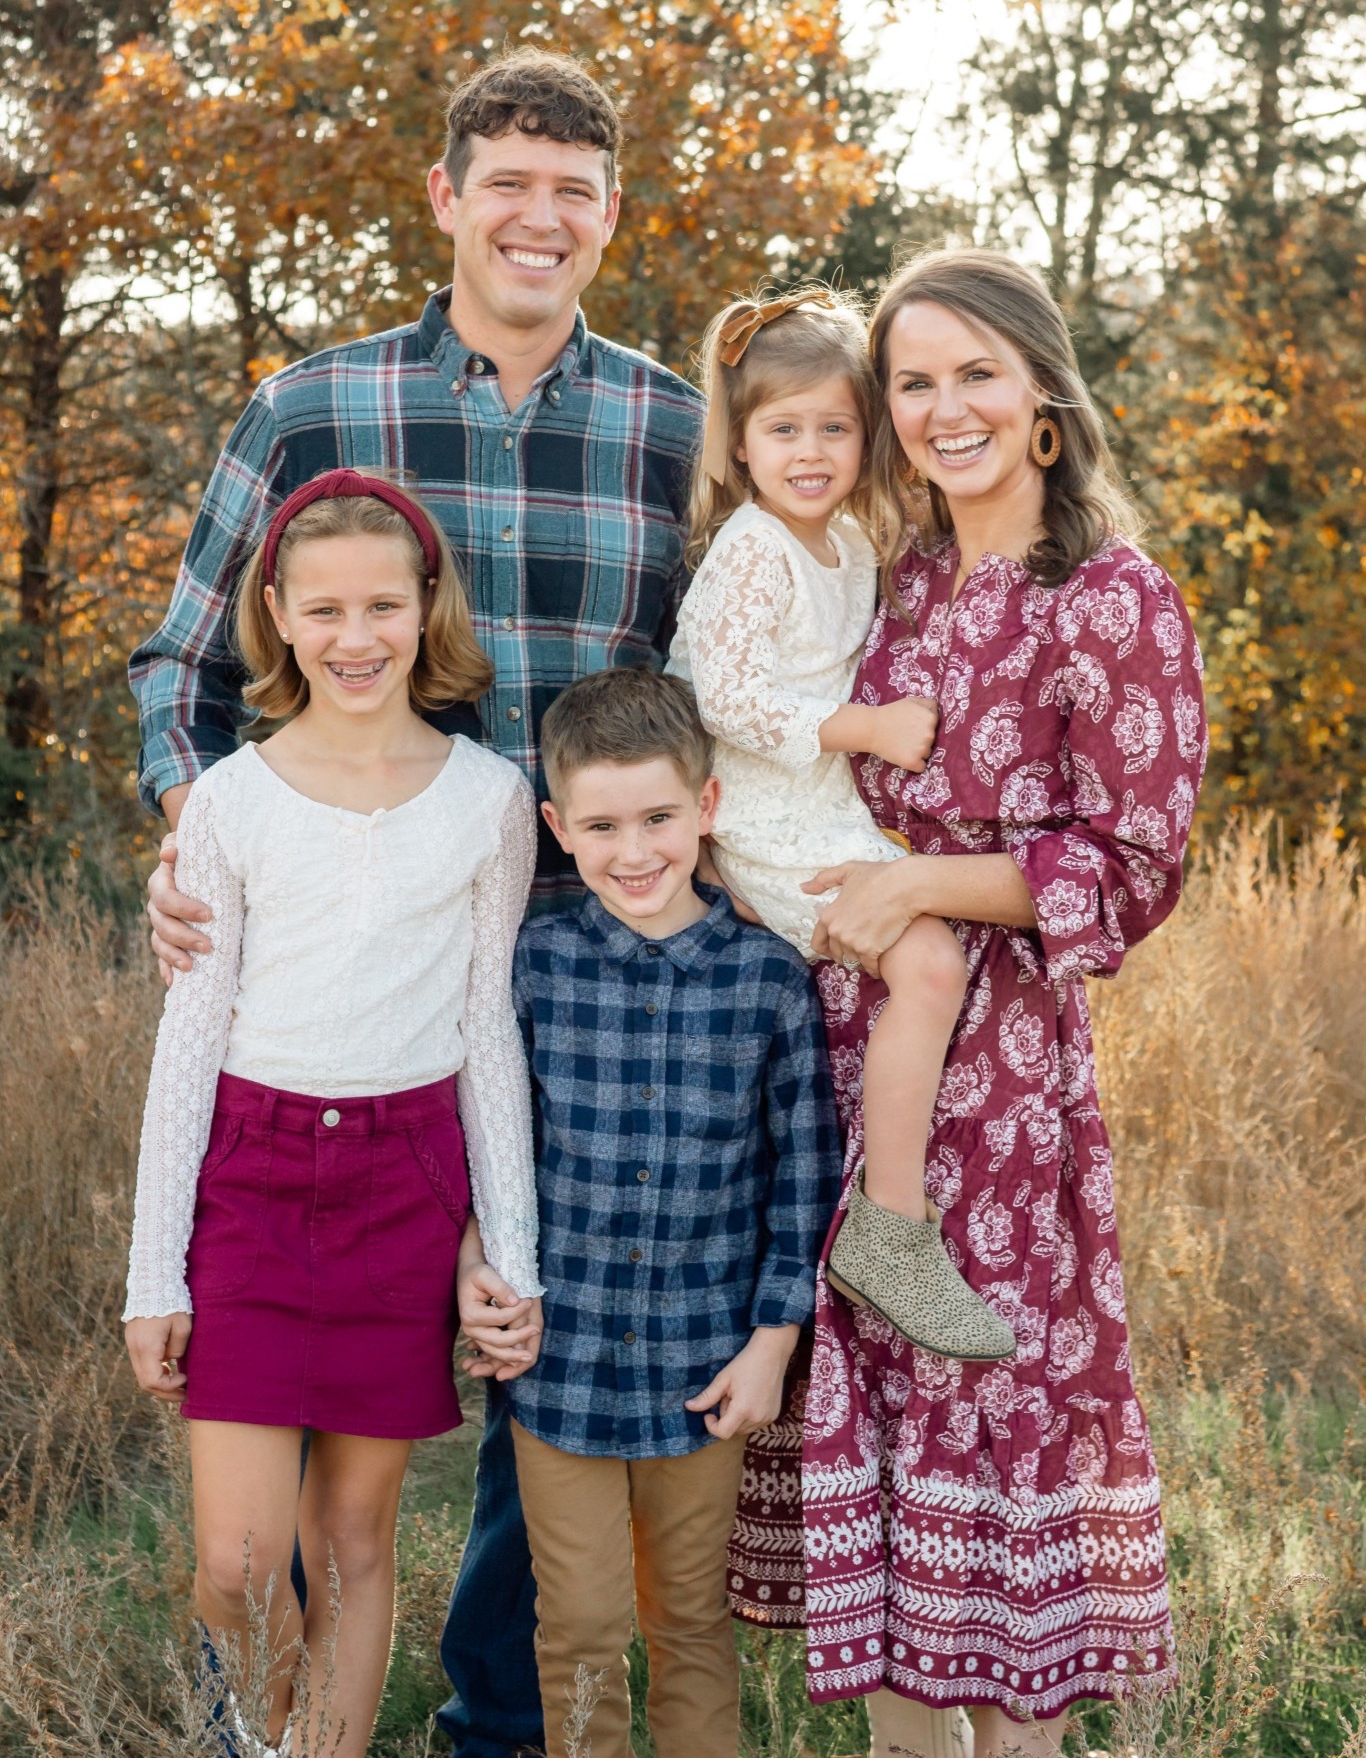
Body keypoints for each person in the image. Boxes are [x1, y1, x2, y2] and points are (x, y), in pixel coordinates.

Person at [128, 49, 703, 1756]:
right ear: (447, 198)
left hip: (588, 957)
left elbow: (723, 678)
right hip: (347, 962)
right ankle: (276, 1722)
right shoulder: (318, 407)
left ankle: (497, 1721)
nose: (541, 216)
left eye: (575, 192)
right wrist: (192, 842)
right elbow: (183, 660)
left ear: (607, 218)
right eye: (507, 182)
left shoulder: (678, 428)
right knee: (277, 1451)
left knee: (546, 1327)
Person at [728, 249, 1207, 1757]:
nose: (944, 410)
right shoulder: (899, 575)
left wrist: (928, 890)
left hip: (998, 1084)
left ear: (1043, 400)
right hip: (845, 1049)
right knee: (880, 1447)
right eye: (913, 383)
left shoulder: (1111, 599)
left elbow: (1131, 865)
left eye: (974, 375)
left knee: (996, 1425)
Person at [123, 472, 543, 1758]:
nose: (355, 637)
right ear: (279, 616)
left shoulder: (488, 795)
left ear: (427, 605)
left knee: (353, 1542)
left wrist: (507, 1248)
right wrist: (154, 1272)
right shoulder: (233, 799)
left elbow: (485, 1032)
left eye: (381, 605)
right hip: (248, 1178)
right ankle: (255, 1740)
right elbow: (187, 1043)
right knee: (241, 1559)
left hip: (403, 1181)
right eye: (323, 610)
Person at [498, 667, 841, 1758]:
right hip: (565, 1365)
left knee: (690, 1620)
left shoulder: (767, 978)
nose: (633, 850)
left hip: (707, 1366)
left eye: (658, 816)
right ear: (557, 826)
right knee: (584, 1624)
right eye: (600, 825)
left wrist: (772, 1342)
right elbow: (492, 1145)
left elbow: (803, 1176)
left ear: (707, 805)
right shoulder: (535, 966)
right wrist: (480, 1261)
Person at [668, 285, 1014, 1362]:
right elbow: (716, 698)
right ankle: (891, 1228)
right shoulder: (754, 546)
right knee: (927, 963)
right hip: (767, 816)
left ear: (866, 438)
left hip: (824, 806)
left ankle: (884, 1216)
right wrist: (861, 725)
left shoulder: (851, 548)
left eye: (833, 427)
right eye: (782, 429)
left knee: (936, 960)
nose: (809, 451)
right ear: (739, 443)